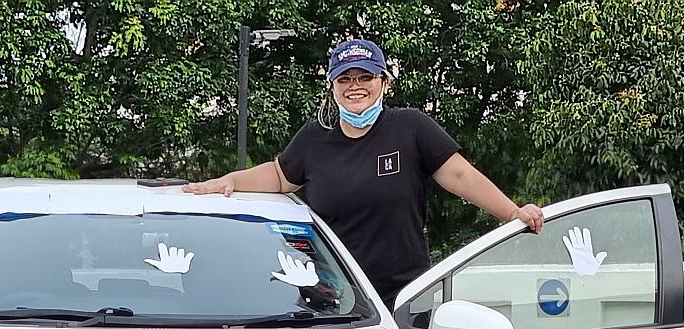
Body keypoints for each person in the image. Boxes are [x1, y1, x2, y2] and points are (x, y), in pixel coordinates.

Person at [184, 39, 545, 308]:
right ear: (333, 87)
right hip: (331, 294)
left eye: (365, 76)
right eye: (345, 79)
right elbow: (280, 176)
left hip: (404, 295)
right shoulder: (314, 138)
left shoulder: (411, 127)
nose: (355, 86)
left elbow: (460, 177)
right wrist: (230, 181)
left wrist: (512, 212)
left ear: (384, 82)